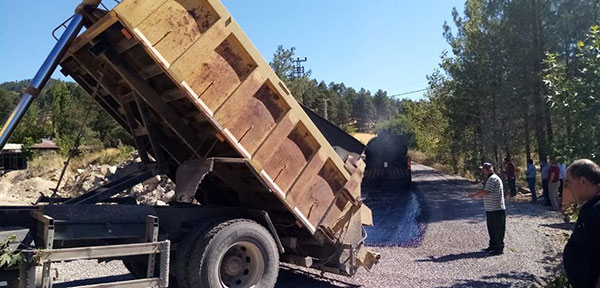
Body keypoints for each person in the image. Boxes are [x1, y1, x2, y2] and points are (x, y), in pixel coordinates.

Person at [562, 159, 600, 288]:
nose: (568, 188)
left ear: (582, 181)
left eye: (569, 183)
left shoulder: (598, 209)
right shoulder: (591, 205)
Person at [469, 162, 506, 256]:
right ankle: (492, 245)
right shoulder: (490, 179)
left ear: (489, 168)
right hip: (491, 208)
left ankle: (498, 248)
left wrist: (475, 195)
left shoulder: (493, 179)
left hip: (496, 208)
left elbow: (487, 192)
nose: (483, 171)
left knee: (497, 229)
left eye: (484, 169)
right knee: (492, 228)